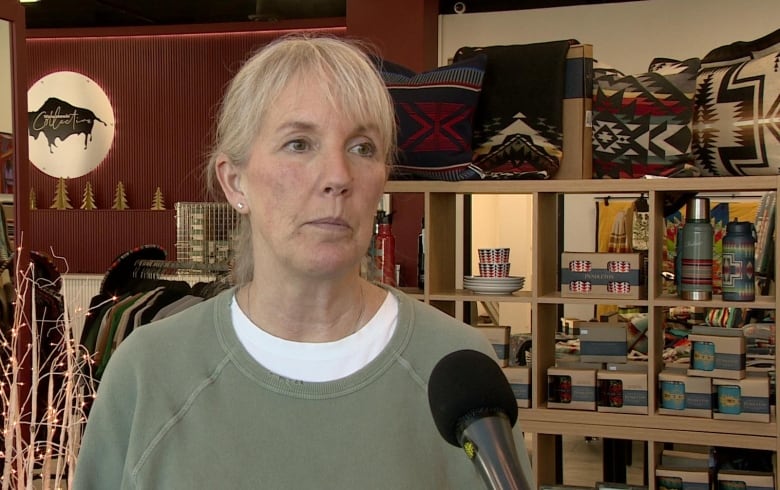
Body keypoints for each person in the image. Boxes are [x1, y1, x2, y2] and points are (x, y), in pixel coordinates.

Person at [73, 33, 533, 489]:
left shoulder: (457, 372)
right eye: (299, 144)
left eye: (362, 148)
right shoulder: (150, 372)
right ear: (235, 183)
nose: (337, 176)